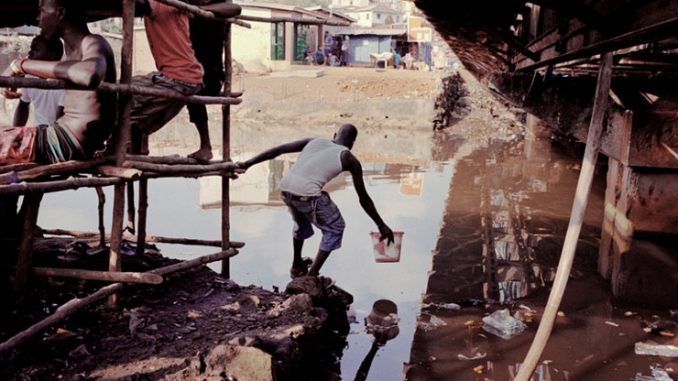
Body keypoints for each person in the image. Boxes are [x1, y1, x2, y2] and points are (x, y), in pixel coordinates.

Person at [235, 124, 394, 277]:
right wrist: (381, 224)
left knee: (302, 222)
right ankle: (311, 276)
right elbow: (363, 198)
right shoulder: (348, 158)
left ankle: (297, 265)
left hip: (285, 190)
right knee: (336, 227)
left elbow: (278, 150)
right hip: (306, 196)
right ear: (352, 143)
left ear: (334, 136)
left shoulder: (314, 141)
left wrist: (247, 164)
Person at [0, 0, 117, 164]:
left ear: (60, 13)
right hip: (62, 137)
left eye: (41, 10)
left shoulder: (93, 42)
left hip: (66, 141)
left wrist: (22, 65)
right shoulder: (72, 50)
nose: (38, 18)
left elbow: (89, 74)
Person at [130, 0, 241, 157]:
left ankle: (205, 145)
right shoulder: (178, 7)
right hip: (187, 71)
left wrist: (195, 9)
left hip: (206, 75)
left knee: (173, 91)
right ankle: (140, 143)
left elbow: (235, 8)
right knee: (151, 94)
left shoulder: (210, 7)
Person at [2, 35, 66, 127]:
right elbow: (23, 106)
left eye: (35, 49)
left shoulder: (62, 84)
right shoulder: (30, 77)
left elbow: (59, 120)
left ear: (51, 55)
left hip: (55, 134)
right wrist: (17, 130)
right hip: (37, 131)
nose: (30, 53)